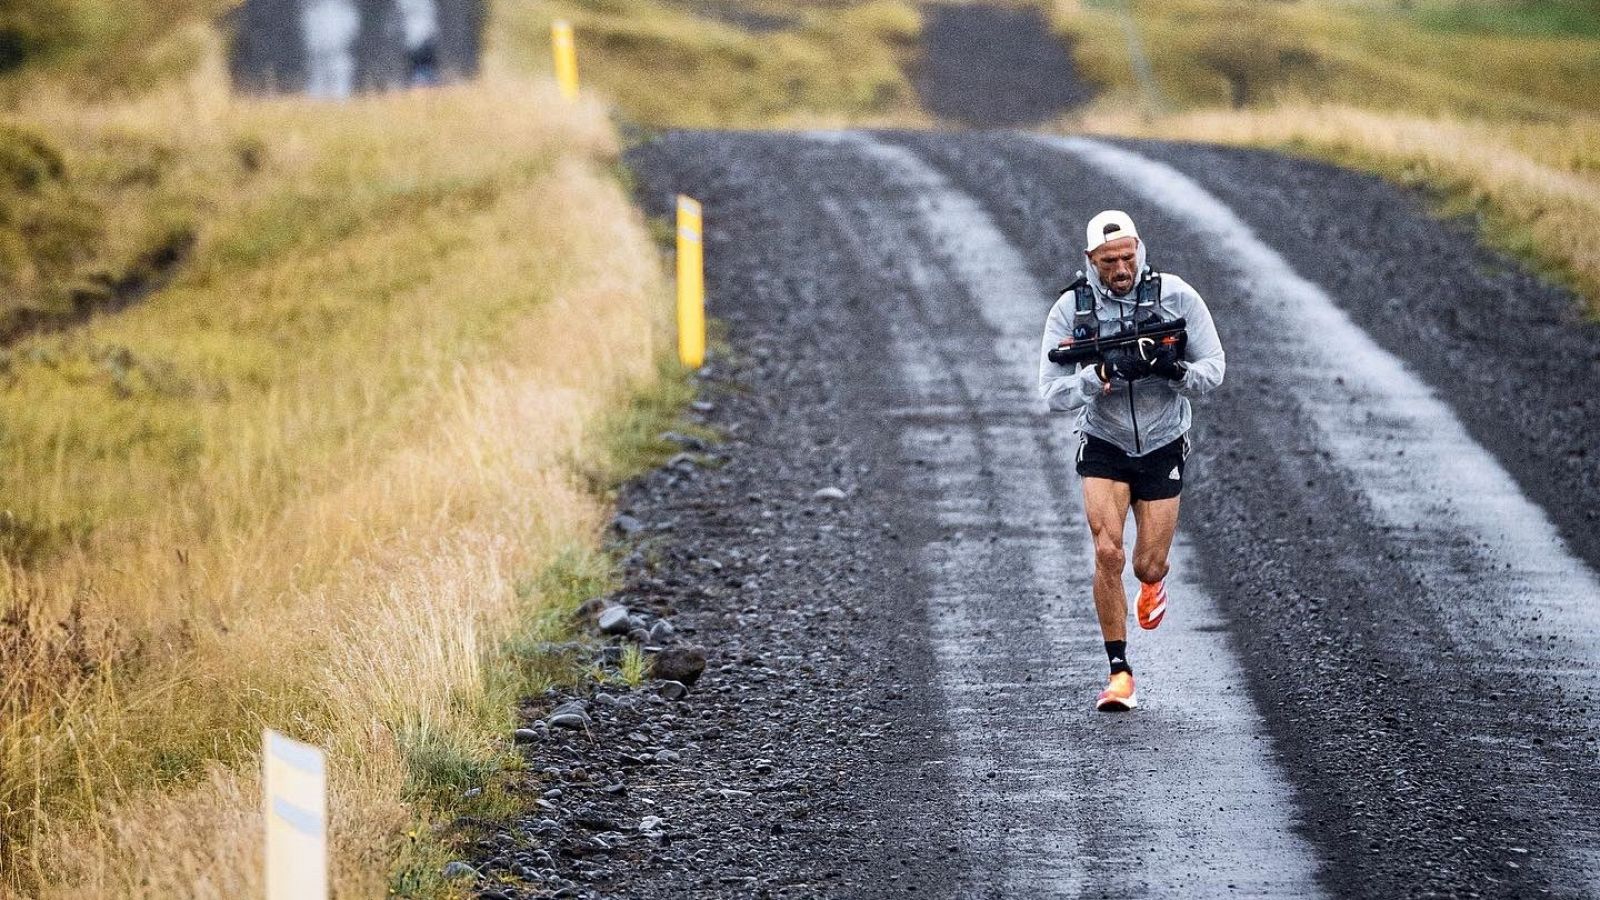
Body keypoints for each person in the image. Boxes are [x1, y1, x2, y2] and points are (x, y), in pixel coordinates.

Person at [1038, 210, 1226, 712]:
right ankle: (1119, 672)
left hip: (1164, 439)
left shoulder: (1177, 296)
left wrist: (1174, 369)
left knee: (1146, 565)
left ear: (1140, 248)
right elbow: (1050, 393)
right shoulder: (1069, 310)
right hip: (1103, 439)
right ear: (1089, 261)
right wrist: (1095, 375)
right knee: (1107, 553)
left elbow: (1215, 369)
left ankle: (1154, 582)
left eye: (1127, 256)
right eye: (1108, 261)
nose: (1121, 268)